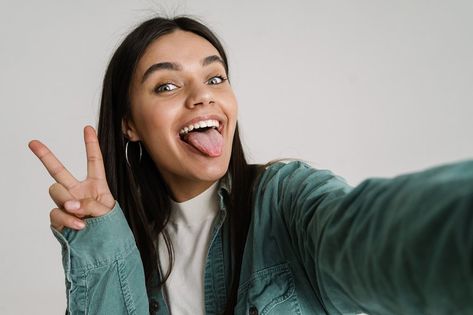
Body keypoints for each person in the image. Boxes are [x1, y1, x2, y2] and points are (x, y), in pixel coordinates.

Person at [28, 16, 473, 315]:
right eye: (166, 85)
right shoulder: (127, 240)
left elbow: (373, 233)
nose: (203, 95)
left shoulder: (287, 199)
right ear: (129, 125)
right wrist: (101, 238)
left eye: (215, 77)